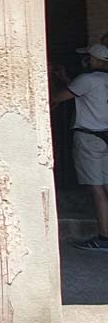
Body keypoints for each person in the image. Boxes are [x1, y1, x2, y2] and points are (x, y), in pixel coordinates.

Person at [51, 43, 108, 251]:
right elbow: (84, 96)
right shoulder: (101, 81)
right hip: (105, 135)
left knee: (96, 188)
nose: (84, 60)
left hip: (89, 138)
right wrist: (67, 79)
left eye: (87, 57)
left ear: (93, 59)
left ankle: (104, 237)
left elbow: (59, 97)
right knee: (107, 185)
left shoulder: (87, 80)